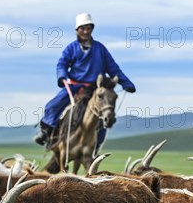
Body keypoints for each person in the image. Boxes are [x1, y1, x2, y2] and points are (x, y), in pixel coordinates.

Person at [34, 13, 136, 147]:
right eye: (82, 28)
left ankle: (96, 143)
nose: (86, 31)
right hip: (74, 87)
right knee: (53, 105)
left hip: (95, 89)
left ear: (92, 29)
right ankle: (46, 133)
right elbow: (62, 64)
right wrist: (62, 76)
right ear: (77, 30)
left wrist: (126, 83)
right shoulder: (71, 48)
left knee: (104, 112)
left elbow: (113, 68)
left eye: (88, 28)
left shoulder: (101, 49)